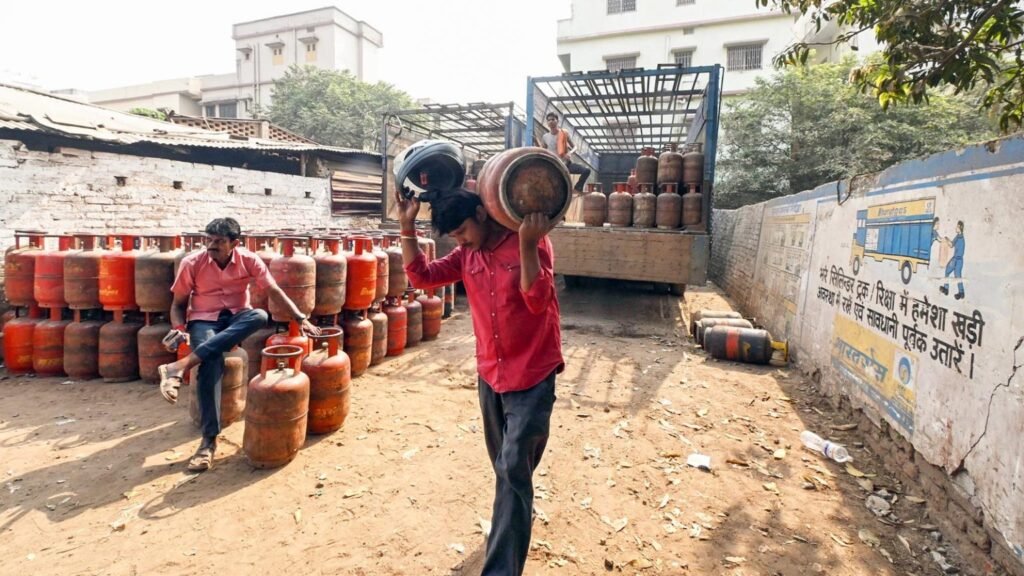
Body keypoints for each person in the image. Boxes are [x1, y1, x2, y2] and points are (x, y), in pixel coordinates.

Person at [395, 187, 563, 575]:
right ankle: (517, 513)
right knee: (507, 470)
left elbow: (538, 300)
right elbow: (422, 277)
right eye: (454, 236)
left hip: (532, 374)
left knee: (512, 468)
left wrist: (527, 245)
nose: (461, 241)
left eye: (463, 231)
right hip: (491, 373)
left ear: (482, 214)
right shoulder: (466, 254)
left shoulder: (530, 242)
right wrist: (406, 227)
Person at [156, 217, 320, 472]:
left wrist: (300, 318)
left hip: (237, 317)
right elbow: (178, 305)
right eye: (208, 240)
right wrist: (179, 329)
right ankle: (208, 442)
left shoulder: (249, 260)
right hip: (203, 319)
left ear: (234, 243)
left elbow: (273, 291)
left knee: (260, 316)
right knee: (210, 362)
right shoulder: (192, 263)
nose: (211, 245)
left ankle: (180, 366)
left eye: (219, 241)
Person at [540, 111, 591, 193]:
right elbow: (543, 151)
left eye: (553, 119)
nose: (551, 121)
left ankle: (577, 188)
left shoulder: (564, 133)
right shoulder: (545, 137)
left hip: (566, 165)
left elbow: (575, 147)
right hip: (554, 166)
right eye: (549, 120)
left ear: (557, 121)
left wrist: (570, 153)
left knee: (586, 171)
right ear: (547, 123)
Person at [940, 220, 966, 299]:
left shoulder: (961, 238)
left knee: (957, 276)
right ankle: (947, 289)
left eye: (957, 227)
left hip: (958, 260)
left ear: (960, 228)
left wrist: (947, 240)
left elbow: (952, 245)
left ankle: (961, 292)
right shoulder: (957, 236)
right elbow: (951, 245)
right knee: (948, 271)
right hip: (956, 259)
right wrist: (947, 239)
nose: (956, 228)